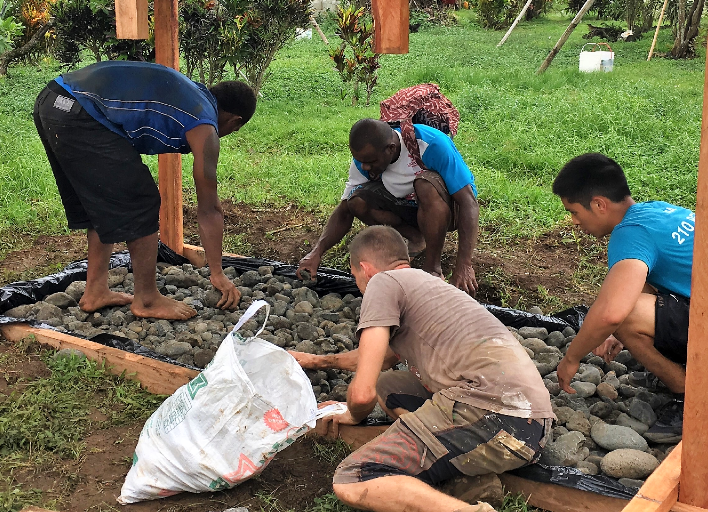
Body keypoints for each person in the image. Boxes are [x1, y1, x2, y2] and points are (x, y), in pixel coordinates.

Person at [289, 226, 554, 512]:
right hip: (530, 424)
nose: (357, 283)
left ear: (364, 269)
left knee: (353, 479)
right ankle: (458, 474)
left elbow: (363, 394)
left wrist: (353, 413)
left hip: (495, 417)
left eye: (354, 276)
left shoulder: (382, 283)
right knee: (389, 386)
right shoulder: (428, 285)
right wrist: (318, 361)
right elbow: (379, 359)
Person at [550, 153, 708, 395]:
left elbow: (612, 314)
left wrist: (572, 357)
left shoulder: (631, 235)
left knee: (625, 314)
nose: (573, 222)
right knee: (627, 303)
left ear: (599, 205)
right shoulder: (655, 213)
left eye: (574, 212)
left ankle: (688, 396)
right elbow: (643, 284)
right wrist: (617, 333)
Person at [33, 60, 256, 320]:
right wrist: (217, 272)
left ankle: (95, 291)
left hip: (53, 99)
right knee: (142, 201)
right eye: (234, 130)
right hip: (80, 111)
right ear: (234, 120)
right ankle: (147, 300)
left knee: (102, 199)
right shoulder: (204, 123)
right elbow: (209, 209)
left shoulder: (193, 95)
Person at [296, 118, 481, 295]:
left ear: (390, 149)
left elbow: (468, 203)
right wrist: (316, 252)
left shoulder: (431, 144)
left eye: (371, 162)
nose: (365, 167)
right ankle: (416, 238)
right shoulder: (364, 160)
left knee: (425, 185)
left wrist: (464, 264)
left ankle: (432, 268)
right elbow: (344, 211)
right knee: (356, 201)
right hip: (409, 208)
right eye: (360, 161)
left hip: (446, 210)